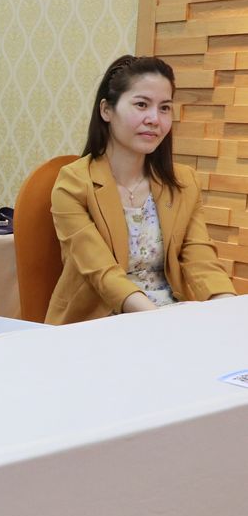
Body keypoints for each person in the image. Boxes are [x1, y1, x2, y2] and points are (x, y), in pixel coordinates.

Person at [46, 55, 235, 324]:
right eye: (141, 105)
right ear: (106, 110)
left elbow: (200, 260)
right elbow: (102, 273)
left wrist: (229, 309)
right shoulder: (73, 183)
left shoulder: (183, 182)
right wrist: (158, 323)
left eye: (165, 108)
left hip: (169, 316)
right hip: (101, 322)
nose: (154, 119)